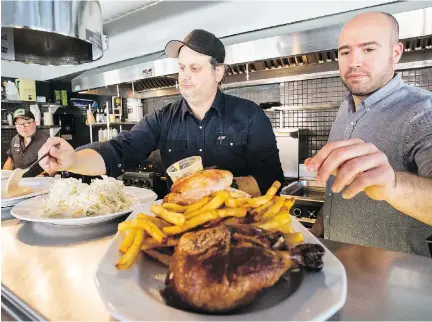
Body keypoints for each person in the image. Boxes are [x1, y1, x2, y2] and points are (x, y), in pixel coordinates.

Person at [38, 29, 284, 197]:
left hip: (237, 229)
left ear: (218, 72)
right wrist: (74, 160)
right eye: (181, 67)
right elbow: (119, 150)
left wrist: (214, 186)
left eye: (195, 68)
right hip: (178, 231)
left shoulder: (250, 116)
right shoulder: (161, 118)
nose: (185, 76)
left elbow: (270, 179)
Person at [308, 12, 432, 256]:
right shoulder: (345, 109)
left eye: (368, 49)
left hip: (394, 285)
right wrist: (317, 231)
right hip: (338, 268)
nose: (354, 62)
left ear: (395, 53)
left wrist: (393, 184)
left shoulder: (423, 112)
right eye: (345, 52)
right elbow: (338, 189)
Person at [3, 109, 50, 177]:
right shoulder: (15, 139)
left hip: (39, 183)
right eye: (18, 124)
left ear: (34, 123)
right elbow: (10, 161)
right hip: (18, 183)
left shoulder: (46, 140)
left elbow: (54, 166)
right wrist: (4, 176)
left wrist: (42, 177)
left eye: (27, 123)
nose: (22, 127)